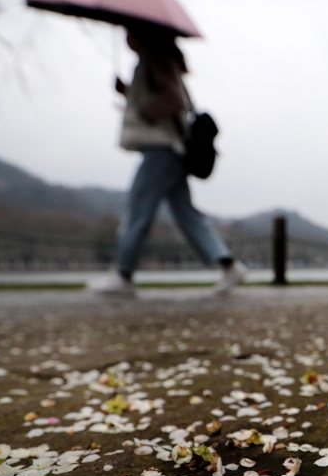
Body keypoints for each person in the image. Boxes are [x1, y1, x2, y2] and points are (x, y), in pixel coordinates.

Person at [89, 28, 246, 297]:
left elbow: (174, 100)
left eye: (130, 31)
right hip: (171, 150)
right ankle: (228, 264)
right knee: (185, 213)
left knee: (137, 208)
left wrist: (141, 110)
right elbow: (165, 97)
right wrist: (127, 91)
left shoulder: (154, 57)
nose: (127, 36)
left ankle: (123, 274)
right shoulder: (163, 58)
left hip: (161, 149)